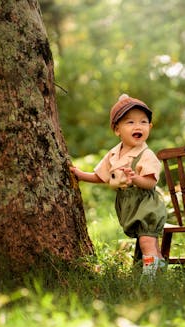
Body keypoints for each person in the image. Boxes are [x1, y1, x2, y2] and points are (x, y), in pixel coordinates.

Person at [70, 94, 167, 277]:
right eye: (130, 122)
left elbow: (150, 183)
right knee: (147, 241)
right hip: (127, 204)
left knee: (147, 241)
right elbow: (102, 176)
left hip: (145, 203)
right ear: (117, 130)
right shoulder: (114, 154)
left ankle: (150, 279)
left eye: (143, 122)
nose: (138, 126)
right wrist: (81, 175)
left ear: (150, 127)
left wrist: (136, 178)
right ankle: (159, 268)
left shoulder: (146, 155)